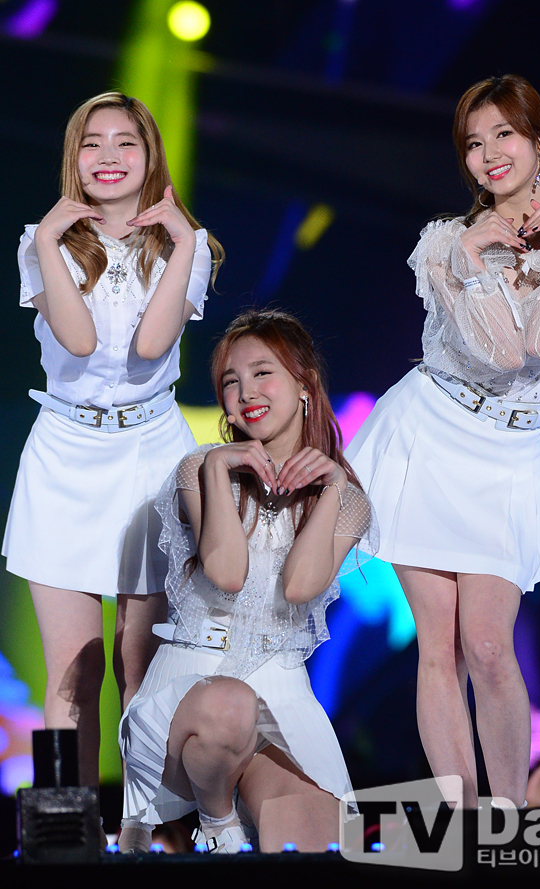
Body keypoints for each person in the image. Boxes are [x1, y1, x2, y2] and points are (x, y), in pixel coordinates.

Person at [346, 74, 540, 810]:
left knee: (489, 646)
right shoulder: (444, 244)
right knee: (439, 647)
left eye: (503, 135)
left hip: (509, 453)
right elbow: (497, 349)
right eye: (473, 143)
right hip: (429, 432)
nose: (488, 154)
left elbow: (537, 344)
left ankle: (510, 817)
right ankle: (462, 819)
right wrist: (469, 261)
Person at [2, 92, 223, 789]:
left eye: (125, 142)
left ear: (150, 155)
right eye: (91, 143)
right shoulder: (41, 242)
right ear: (74, 157)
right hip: (65, 454)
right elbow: (79, 340)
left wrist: (183, 244)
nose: (108, 156)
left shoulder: (188, 247)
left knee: (140, 663)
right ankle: (65, 825)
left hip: (149, 455)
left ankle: (142, 825)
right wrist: (48, 242)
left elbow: (152, 346)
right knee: (75, 668)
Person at [118, 309, 376, 854]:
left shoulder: (347, 501)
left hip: (281, 698)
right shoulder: (200, 469)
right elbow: (227, 575)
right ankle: (218, 823)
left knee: (318, 852)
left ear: (304, 385)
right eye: (231, 382)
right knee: (231, 705)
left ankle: (240, 813)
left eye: (262, 373)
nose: (246, 392)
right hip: (189, 696)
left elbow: (300, 586)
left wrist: (332, 487)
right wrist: (217, 469)